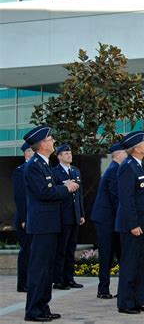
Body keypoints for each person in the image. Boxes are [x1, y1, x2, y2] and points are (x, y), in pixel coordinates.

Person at [23, 126, 79, 322]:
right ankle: (33, 310)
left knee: (47, 270)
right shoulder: (34, 165)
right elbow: (44, 193)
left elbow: (51, 188)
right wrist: (67, 188)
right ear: (43, 144)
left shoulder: (44, 164)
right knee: (39, 269)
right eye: (50, 139)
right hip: (42, 226)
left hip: (51, 224)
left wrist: (63, 186)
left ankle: (43, 306)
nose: (53, 141)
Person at [115, 131, 144, 314]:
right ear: (137, 148)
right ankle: (125, 303)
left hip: (142, 224)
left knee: (140, 264)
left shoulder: (139, 166)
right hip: (132, 226)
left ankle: (140, 300)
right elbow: (127, 198)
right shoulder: (128, 166)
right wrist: (133, 224)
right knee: (130, 264)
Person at [90, 142, 127, 299]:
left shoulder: (116, 169)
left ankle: (123, 289)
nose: (127, 155)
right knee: (107, 254)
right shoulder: (114, 170)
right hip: (106, 220)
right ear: (118, 155)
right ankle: (103, 289)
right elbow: (115, 197)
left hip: (112, 219)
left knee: (119, 253)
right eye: (125, 153)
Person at [52, 144, 85, 290]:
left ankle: (70, 278)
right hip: (62, 216)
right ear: (59, 156)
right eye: (65, 153)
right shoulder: (55, 172)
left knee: (71, 249)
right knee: (61, 249)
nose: (69, 155)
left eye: (70, 153)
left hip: (74, 215)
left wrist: (81, 213)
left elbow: (79, 195)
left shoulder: (75, 171)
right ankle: (59, 280)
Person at [12, 142, 34, 293]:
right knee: (26, 250)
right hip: (24, 218)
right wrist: (25, 219)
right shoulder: (20, 171)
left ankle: (31, 281)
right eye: (32, 150)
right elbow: (20, 197)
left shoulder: (35, 169)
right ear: (27, 153)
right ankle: (23, 283)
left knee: (33, 251)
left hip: (35, 217)